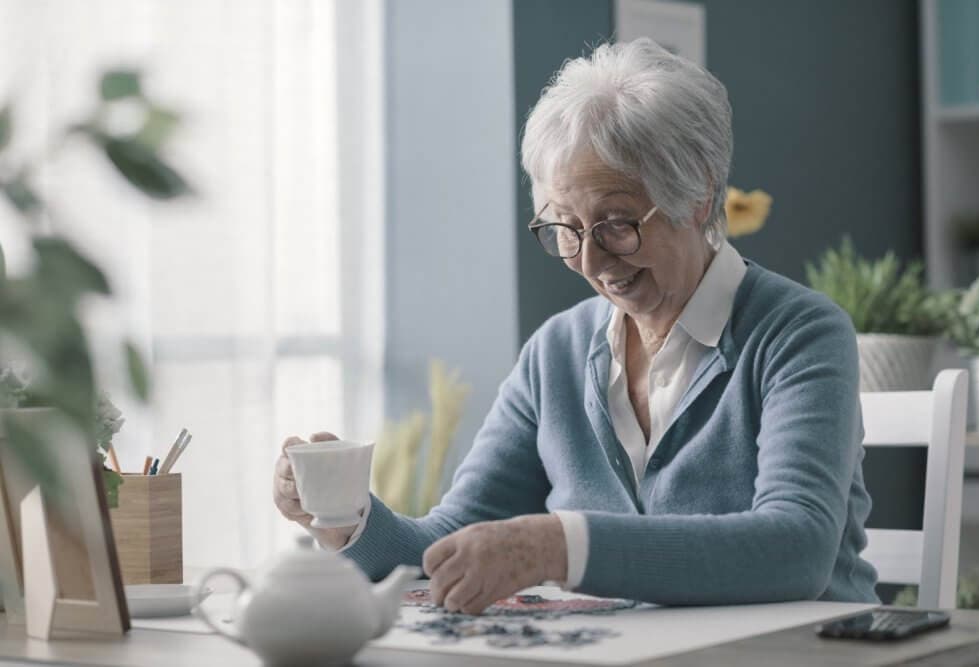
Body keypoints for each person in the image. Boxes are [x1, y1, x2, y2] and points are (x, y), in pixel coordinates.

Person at [273, 37, 879, 615]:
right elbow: (447, 547)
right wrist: (346, 517)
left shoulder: (799, 334)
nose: (589, 261)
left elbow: (796, 549)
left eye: (617, 224)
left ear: (697, 199)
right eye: (563, 228)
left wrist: (561, 546)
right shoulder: (556, 353)